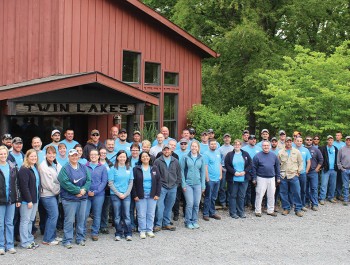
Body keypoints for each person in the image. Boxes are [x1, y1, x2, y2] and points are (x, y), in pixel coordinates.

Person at [58, 149, 91, 249]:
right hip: (69, 199)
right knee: (69, 220)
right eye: (72, 156)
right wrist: (77, 191)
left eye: (76, 155)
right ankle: (67, 240)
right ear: (69, 157)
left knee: (81, 219)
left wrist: (84, 189)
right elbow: (64, 182)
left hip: (83, 198)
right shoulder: (65, 168)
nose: (74, 157)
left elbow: (89, 180)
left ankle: (80, 238)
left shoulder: (83, 167)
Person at [132, 151, 161, 238]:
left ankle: (149, 230)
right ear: (140, 159)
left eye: (147, 156)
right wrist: (135, 195)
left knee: (151, 213)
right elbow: (132, 183)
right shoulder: (136, 169)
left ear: (149, 157)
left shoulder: (154, 168)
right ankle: (142, 230)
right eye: (143, 156)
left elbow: (159, 182)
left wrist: (157, 194)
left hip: (152, 195)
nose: (145, 158)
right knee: (141, 214)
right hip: (140, 195)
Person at [153, 145, 181, 232]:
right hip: (162, 187)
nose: (166, 151)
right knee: (160, 206)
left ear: (171, 151)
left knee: (169, 206)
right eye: (164, 150)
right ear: (162, 151)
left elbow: (179, 174)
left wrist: (176, 184)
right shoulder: (157, 161)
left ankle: (167, 223)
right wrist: (158, 185)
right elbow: (154, 174)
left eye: (168, 150)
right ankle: (158, 224)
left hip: (173, 187)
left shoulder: (175, 161)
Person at [108, 150, 134, 241]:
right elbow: (110, 183)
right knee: (117, 216)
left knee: (127, 215)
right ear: (117, 157)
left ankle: (128, 233)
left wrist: (126, 194)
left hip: (126, 195)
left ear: (126, 158)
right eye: (121, 156)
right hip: (115, 195)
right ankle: (118, 233)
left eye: (124, 156)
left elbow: (131, 182)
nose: (122, 158)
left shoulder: (129, 168)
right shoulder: (113, 169)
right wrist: (119, 194)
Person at [38, 146, 62, 245]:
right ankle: (47, 239)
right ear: (46, 154)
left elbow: (61, 175)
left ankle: (52, 236)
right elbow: (49, 184)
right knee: (53, 215)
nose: (51, 155)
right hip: (48, 195)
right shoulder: (43, 166)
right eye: (49, 153)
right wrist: (61, 189)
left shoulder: (55, 163)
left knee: (51, 216)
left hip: (54, 194)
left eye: (53, 153)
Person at [0, 146, 21, 255]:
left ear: (7, 154)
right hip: (0, 200)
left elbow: (16, 184)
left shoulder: (12, 166)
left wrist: (18, 198)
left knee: (9, 223)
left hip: (11, 199)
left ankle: (10, 245)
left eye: (4, 154)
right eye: (1, 154)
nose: (3, 156)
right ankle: (1, 246)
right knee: (0, 224)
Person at [180, 141, 205, 229]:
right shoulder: (185, 157)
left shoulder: (201, 157)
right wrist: (183, 184)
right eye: (192, 146)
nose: (194, 148)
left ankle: (194, 220)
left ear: (198, 148)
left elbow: (202, 172)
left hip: (198, 184)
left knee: (196, 203)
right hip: (188, 184)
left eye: (195, 146)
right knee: (190, 203)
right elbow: (182, 171)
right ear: (190, 147)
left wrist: (203, 185)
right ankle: (188, 221)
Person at [18, 149, 40, 250]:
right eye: (31, 156)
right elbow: (24, 187)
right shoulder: (24, 169)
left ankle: (30, 240)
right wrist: (29, 200)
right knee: (25, 221)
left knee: (31, 220)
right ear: (27, 157)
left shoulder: (34, 167)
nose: (34, 158)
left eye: (35, 156)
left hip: (35, 199)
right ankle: (24, 242)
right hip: (27, 201)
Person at [225, 140, 252, 219]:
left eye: (238, 144)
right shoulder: (229, 155)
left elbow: (250, 164)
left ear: (241, 145)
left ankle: (241, 212)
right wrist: (234, 172)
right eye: (235, 144)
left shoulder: (245, 154)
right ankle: (233, 212)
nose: (237, 145)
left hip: (244, 178)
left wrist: (245, 171)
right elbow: (227, 165)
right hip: (233, 178)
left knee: (241, 196)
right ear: (233, 145)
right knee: (233, 195)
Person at [252, 141, 280, 217]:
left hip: (271, 178)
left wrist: (278, 177)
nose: (266, 147)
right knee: (259, 194)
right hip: (261, 178)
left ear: (270, 146)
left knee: (271, 195)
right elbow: (254, 168)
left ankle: (270, 210)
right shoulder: (257, 156)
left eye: (267, 145)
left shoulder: (274, 156)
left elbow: (277, 167)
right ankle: (258, 211)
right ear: (262, 146)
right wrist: (254, 178)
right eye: (264, 145)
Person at [84, 149, 107, 241]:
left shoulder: (103, 167)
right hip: (86, 194)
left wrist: (95, 192)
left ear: (99, 156)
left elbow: (104, 181)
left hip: (99, 194)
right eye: (91, 154)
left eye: (95, 154)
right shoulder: (84, 167)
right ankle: (82, 232)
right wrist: (87, 190)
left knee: (97, 214)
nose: (93, 156)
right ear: (89, 156)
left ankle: (95, 232)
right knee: (84, 214)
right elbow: (83, 180)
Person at [278, 137, 304, 217]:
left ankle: (298, 209)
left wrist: (298, 172)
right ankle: (286, 208)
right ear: (285, 142)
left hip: (293, 175)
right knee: (283, 193)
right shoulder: (280, 152)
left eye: (290, 142)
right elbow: (277, 164)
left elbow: (301, 162)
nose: (288, 143)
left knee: (296, 192)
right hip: (283, 176)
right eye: (287, 142)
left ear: (292, 142)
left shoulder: (296, 152)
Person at [203, 139, 222, 221]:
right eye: (212, 144)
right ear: (209, 145)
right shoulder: (206, 154)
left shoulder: (218, 153)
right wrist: (207, 178)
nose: (213, 145)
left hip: (217, 179)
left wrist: (221, 175)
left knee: (214, 197)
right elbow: (205, 166)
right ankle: (206, 213)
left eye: (215, 144)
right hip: (210, 179)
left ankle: (212, 212)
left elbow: (220, 164)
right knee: (208, 197)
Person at [304, 136, 323, 211]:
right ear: (305, 141)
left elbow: (321, 160)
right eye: (307, 140)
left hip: (313, 172)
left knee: (314, 188)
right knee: (305, 189)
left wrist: (317, 169)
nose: (309, 141)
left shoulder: (316, 150)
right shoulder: (302, 149)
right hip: (304, 172)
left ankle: (315, 204)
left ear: (312, 141)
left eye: (310, 140)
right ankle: (306, 203)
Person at [319, 135, 338, 205]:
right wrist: (322, 166)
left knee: (333, 185)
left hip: (334, 169)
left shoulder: (335, 148)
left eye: (331, 140)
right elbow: (320, 158)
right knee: (324, 184)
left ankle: (331, 197)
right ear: (327, 140)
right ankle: (322, 198)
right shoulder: (323, 148)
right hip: (326, 169)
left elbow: (337, 158)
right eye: (329, 140)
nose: (330, 141)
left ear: (333, 141)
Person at [98, 148, 113, 235]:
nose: (103, 154)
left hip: (107, 189)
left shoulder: (110, 164)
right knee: (97, 208)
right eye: (101, 153)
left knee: (105, 208)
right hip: (98, 189)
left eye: (104, 153)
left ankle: (104, 226)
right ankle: (97, 225)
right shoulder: (96, 162)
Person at [295, 136, 311, 211]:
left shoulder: (306, 150)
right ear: (295, 141)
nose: (299, 142)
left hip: (303, 173)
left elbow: (308, 162)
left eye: (300, 141)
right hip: (294, 173)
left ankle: (302, 204)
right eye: (297, 141)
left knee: (303, 190)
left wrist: (306, 171)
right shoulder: (292, 150)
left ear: (302, 142)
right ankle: (294, 204)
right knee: (294, 190)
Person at [218, 133, 234, 209]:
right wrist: (222, 168)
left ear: (230, 139)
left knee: (231, 186)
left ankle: (229, 201)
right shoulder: (220, 149)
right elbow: (218, 160)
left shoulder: (233, 148)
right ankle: (223, 201)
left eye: (228, 137)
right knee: (222, 186)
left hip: (231, 169)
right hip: (223, 168)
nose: (227, 139)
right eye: (225, 138)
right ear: (223, 139)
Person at [337, 136, 350, 206]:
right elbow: (338, 160)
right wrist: (342, 168)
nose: (348, 141)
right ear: (345, 141)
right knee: (345, 186)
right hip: (345, 170)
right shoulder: (342, 149)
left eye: (349, 140)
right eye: (347, 140)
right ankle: (346, 199)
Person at [333, 131, 346, 201]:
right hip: (334, 165)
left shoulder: (344, 144)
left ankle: (339, 194)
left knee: (340, 181)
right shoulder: (333, 143)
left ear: (341, 136)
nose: (337, 136)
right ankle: (333, 195)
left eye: (339, 135)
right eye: (336, 135)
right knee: (334, 180)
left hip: (341, 165)